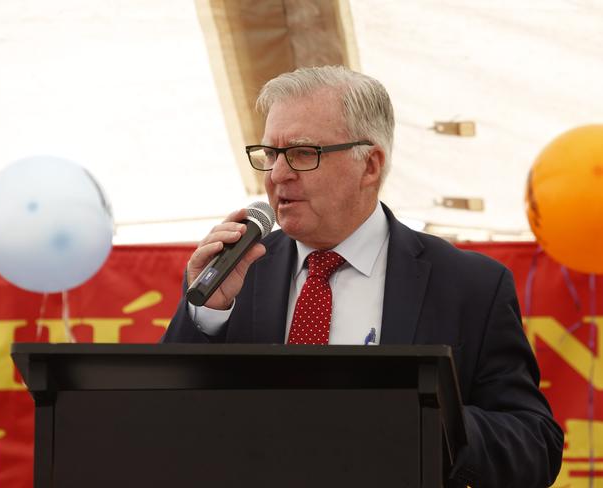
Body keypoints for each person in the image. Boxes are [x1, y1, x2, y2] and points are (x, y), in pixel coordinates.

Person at [161, 65, 563, 487]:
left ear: (369, 165)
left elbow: (535, 444)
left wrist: (429, 421)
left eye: (301, 152)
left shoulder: (470, 285)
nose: (277, 174)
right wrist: (206, 316)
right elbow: (160, 423)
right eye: (270, 153)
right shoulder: (237, 274)